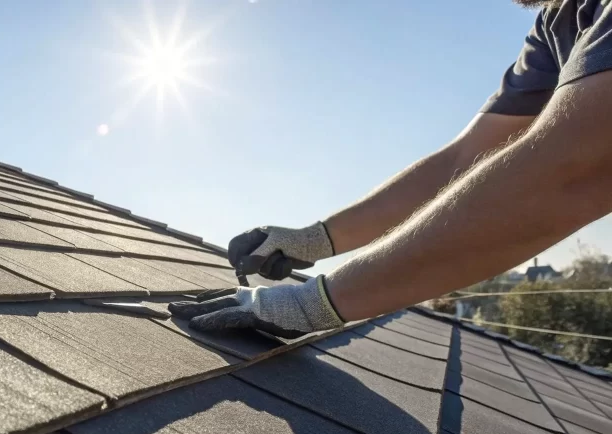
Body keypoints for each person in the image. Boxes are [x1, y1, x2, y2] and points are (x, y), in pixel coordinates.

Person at [170, 0, 612, 338]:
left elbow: (567, 172)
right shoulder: (562, 20)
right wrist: (313, 240)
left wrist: (312, 305)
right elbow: (463, 162)